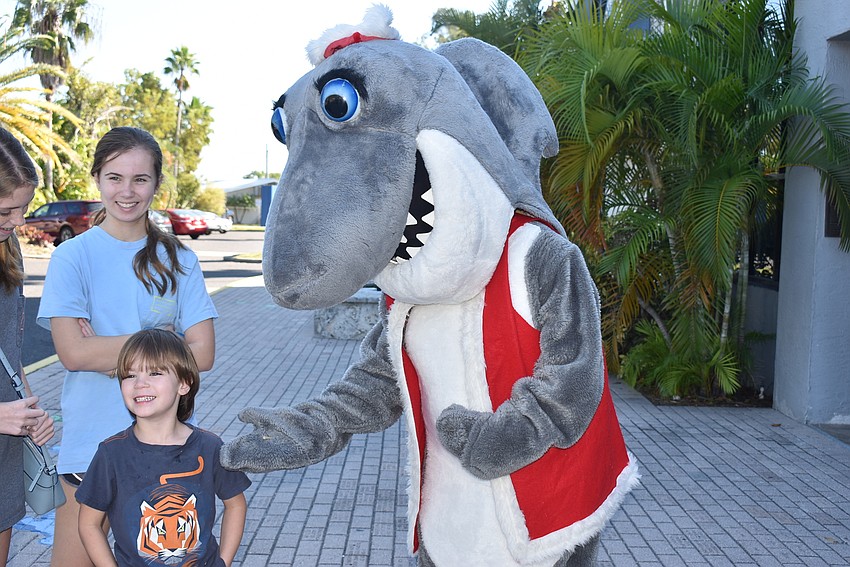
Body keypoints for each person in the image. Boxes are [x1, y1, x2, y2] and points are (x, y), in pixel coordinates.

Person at [37, 127, 218, 567]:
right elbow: (74, 355)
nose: (127, 191)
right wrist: (168, 347)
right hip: (89, 448)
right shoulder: (72, 257)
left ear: (157, 183)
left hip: (166, 451)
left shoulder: (179, 260)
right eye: (115, 177)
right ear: (97, 178)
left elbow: (205, 354)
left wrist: (106, 349)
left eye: (141, 179)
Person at [76, 328, 250, 567]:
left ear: (184, 384)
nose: (140, 384)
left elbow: (236, 504)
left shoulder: (210, 447)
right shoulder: (111, 454)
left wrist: (223, 562)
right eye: (129, 375)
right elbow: (88, 523)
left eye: (155, 373)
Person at [0, 127, 56, 567]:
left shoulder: (8, 250)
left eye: (22, 209)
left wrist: (29, 414)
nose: (17, 222)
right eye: (6, 210)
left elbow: (9, 353)